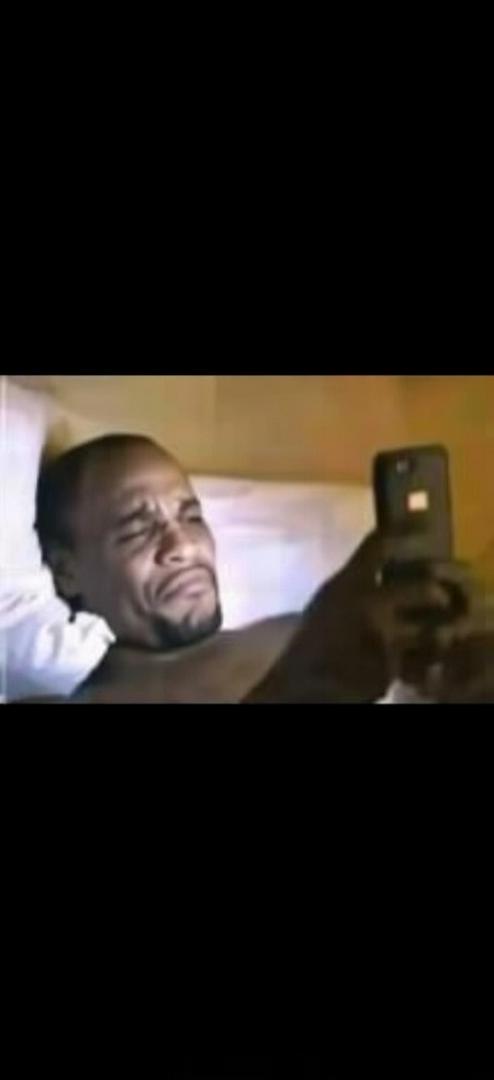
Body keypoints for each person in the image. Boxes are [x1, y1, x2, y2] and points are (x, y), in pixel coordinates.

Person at [34, 434, 493, 704]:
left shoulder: (315, 631)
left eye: (192, 517)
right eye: (137, 529)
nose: (183, 546)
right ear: (67, 570)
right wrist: (313, 688)